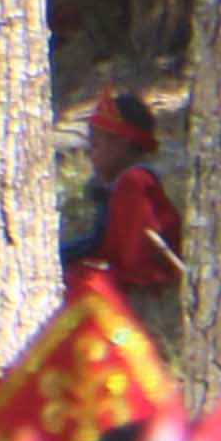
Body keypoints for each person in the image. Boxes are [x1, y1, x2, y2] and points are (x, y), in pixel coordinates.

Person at [68, 92, 186, 305]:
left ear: (121, 144)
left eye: (94, 145)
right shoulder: (119, 186)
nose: (88, 154)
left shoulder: (133, 183)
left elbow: (138, 266)